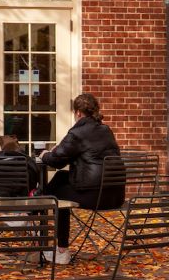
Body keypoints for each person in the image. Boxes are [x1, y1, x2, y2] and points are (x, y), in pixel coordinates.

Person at [39, 93, 124, 264]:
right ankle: (34, 204)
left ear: (78, 113)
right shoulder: (106, 130)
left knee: (56, 196)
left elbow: (56, 161)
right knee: (61, 178)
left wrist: (45, 155)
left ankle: (60, 249)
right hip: (115, 195)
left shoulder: (77, 132)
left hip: (94, 196)